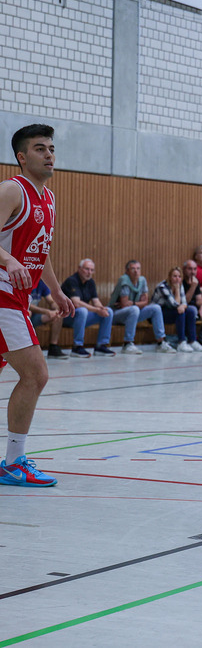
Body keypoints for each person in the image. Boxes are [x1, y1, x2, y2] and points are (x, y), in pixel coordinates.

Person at [0, 124, 74, 488]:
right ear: (22, 157)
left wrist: (57, 291)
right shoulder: (12, 190)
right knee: (36, 374)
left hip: (17, 296)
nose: (49, 154)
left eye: (51, 148)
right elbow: (12, 253)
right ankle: (14, 462)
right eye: (40, 148)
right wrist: (7, 261)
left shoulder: (49, 198)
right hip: (1, 295)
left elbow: (38, 252)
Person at [109, 260, 175, 354]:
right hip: (116, 314)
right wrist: (137, 304)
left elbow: (145, 302)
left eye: (138, 268)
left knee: (155, 308)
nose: (136, 271)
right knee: (134, 309)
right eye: (133, 269)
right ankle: (127, 344)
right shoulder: (124, 280)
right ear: (127, 271)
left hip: (133, 313)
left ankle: (161, 343)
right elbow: (124, 305)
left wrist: (133, 303)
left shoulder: (142, 280)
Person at [61, 259, 116, 358]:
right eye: (87, 269)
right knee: (82, 311)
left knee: (109, 311)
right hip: (66, 317)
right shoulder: (72, 281)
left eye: (92, 270)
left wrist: (101, 308)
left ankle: (101, 346)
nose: (89, 272)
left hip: (81, 317)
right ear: (79, 269)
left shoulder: (90, 282)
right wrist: (96, 310)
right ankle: (77, 347)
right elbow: (76, 303)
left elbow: (96, 301)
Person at [152, 266, 202, 352]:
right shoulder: (162, 287)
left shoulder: (179, 285)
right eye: (174, 276)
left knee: (190, 311)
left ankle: (192, 341)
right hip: (158, 313)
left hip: (172, 310)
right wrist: (177, 290)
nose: (177, 279)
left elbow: (184, 303)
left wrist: (182, 305)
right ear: (169, 277)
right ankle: (181, 342)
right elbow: (174, 304)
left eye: (179, 276)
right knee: (180, 312)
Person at [28, 281, 67, 359]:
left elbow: (51, 301)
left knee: (58, 315)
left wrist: (57, 308)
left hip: (35, 317)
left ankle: (53, 347)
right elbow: (27, 305)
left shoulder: (40, 283)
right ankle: (22, 348)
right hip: (23, 314)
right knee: (28, 313)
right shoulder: (25, 281)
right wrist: (46, 311)